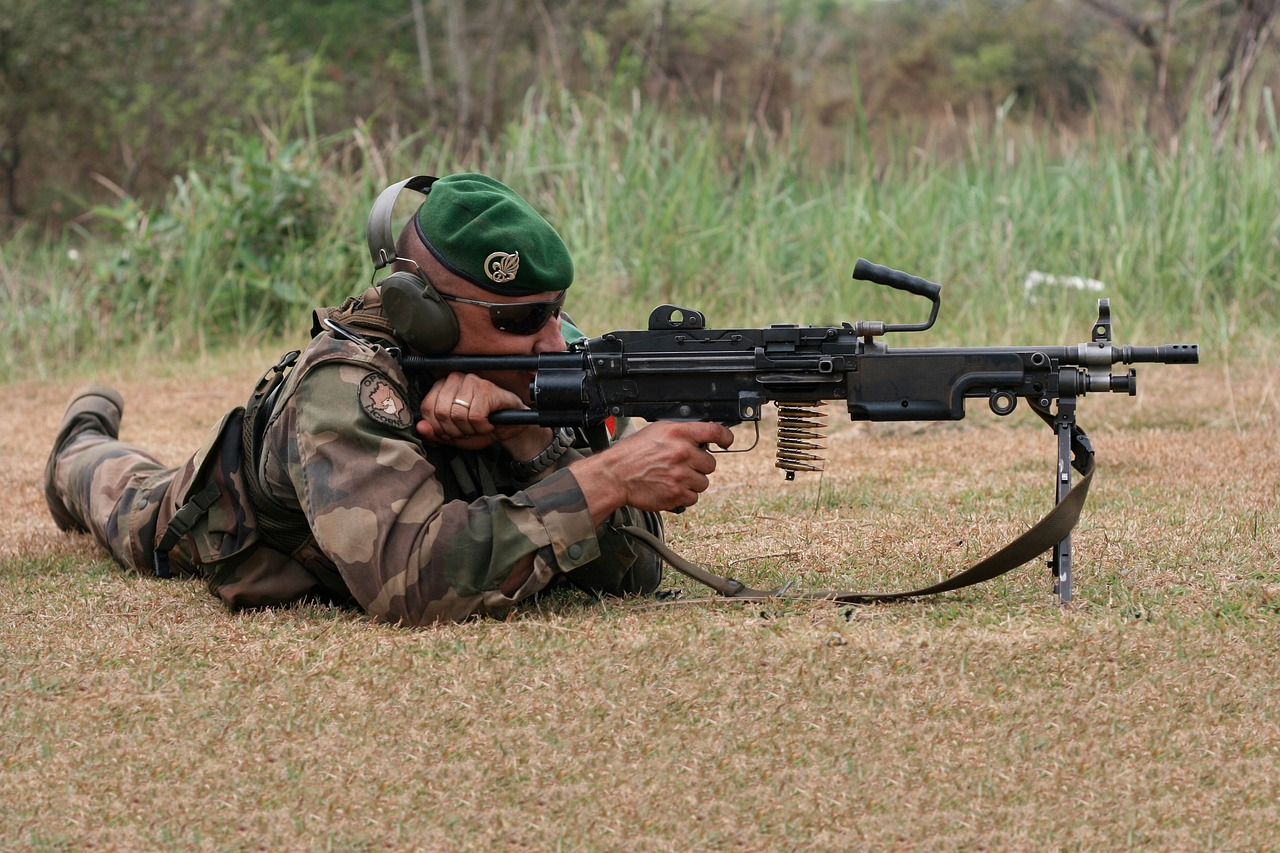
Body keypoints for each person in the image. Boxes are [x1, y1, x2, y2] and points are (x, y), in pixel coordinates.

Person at [43, 173, 734, 626]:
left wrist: (531, 444)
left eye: (555, 310)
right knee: (113, 487)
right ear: (426, 312)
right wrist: (606, 475)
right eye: (519, 321)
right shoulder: (342, 384)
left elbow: (632, 574)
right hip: (221, 526)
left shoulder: (540, 363)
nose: (554, 341)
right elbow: (409, 581)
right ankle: (79, 438)